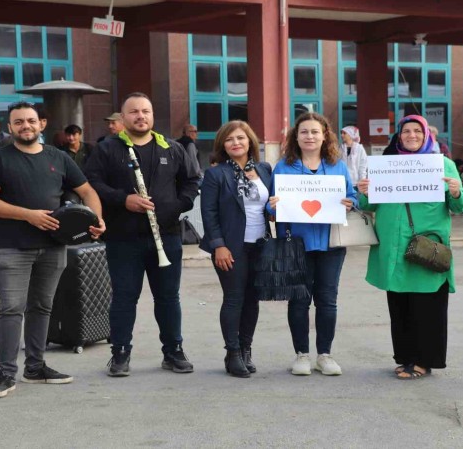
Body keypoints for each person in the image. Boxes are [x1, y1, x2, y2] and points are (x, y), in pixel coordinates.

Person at [0, 101, 105, 399]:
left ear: (41, 124)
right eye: (19, 122)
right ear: (10, 127)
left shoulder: (58, 157)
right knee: (11, 309)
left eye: (31, 121)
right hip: (13, 246)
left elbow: (87, 191)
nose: (26, 126)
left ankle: (35, 367)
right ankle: (6, 373)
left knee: (42, 307)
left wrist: (97, 219)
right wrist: (28, 215)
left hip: (53, 246)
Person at [84, 92, 200, 377]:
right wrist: (123, 200)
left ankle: (173, 351)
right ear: (123, 117)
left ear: (152, 115)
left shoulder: (171, 148)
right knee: (124, 298)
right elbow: (92, 183)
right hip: (123, 238)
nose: (140, 116)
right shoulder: (107, 148)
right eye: (134, 112)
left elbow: (191, 181)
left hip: (166, 235)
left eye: (145, 111)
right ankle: (120, 353)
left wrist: (176, 206)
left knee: (168, 298)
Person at [357, 115, 463, 380]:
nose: (411, 135)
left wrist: (455, 191)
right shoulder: (386, 165)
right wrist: (364, 192)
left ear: (427, 135)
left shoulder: (443, 164)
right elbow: (369, 205)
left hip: (426, 247)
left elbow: (461, 206)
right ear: (399, 136)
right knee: (400, 304)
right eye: (406, 131)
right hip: (393, 247)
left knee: (427, 305)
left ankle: (424, 360)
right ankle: (405, 357)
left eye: (417, 130)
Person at [266, 112, 357, 376]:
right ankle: (302, 355)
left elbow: (353, 196)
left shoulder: (338, 166)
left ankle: (325, 355)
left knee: (327, 300)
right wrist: (272, 207)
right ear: (296, 136)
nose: (310, 136)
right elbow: (270, 206)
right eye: (304, 132)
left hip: (332, 244)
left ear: (324, 136)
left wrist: (351, 202)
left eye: (315, 132)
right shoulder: (283, 167)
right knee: (299, 301)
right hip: (295, 243)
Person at [200, 121, 271, 378]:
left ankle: (245, 349)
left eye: (240, 138)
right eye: (229, 139)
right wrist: (218, 245)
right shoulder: (216, 174)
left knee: (252, 299)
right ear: (223, 145)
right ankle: (232, 353)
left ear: (250, 141)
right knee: (234, 298)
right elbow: (208, 213)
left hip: (260, 245)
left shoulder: (264, 169)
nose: (236, 143)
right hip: (231, 247)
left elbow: (270, 205)